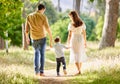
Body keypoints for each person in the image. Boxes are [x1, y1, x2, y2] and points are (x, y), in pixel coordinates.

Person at [25, 4, 52, 77]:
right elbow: (47, 28)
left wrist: (27, 38)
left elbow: (26, 30)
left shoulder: (29, 16)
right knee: (42, 54)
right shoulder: (43, 16)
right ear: (43, 9)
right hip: (42, 37)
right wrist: (51, 38)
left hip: (34, 38)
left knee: (36, 54)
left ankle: (36, 72)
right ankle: (41, 72)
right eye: (44, 11)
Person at [67, 11, 87, 75]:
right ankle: (79, 70)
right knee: (80, 54)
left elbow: (69, 35)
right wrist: (85, 42)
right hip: (80, 39)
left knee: (75, 54)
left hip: (74, 39)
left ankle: (79, 70)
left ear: (72, 16)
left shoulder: (71, 24)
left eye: (70, 16)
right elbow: (84, 33)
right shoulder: (82, 23)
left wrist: (68, 42)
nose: (70, 18)